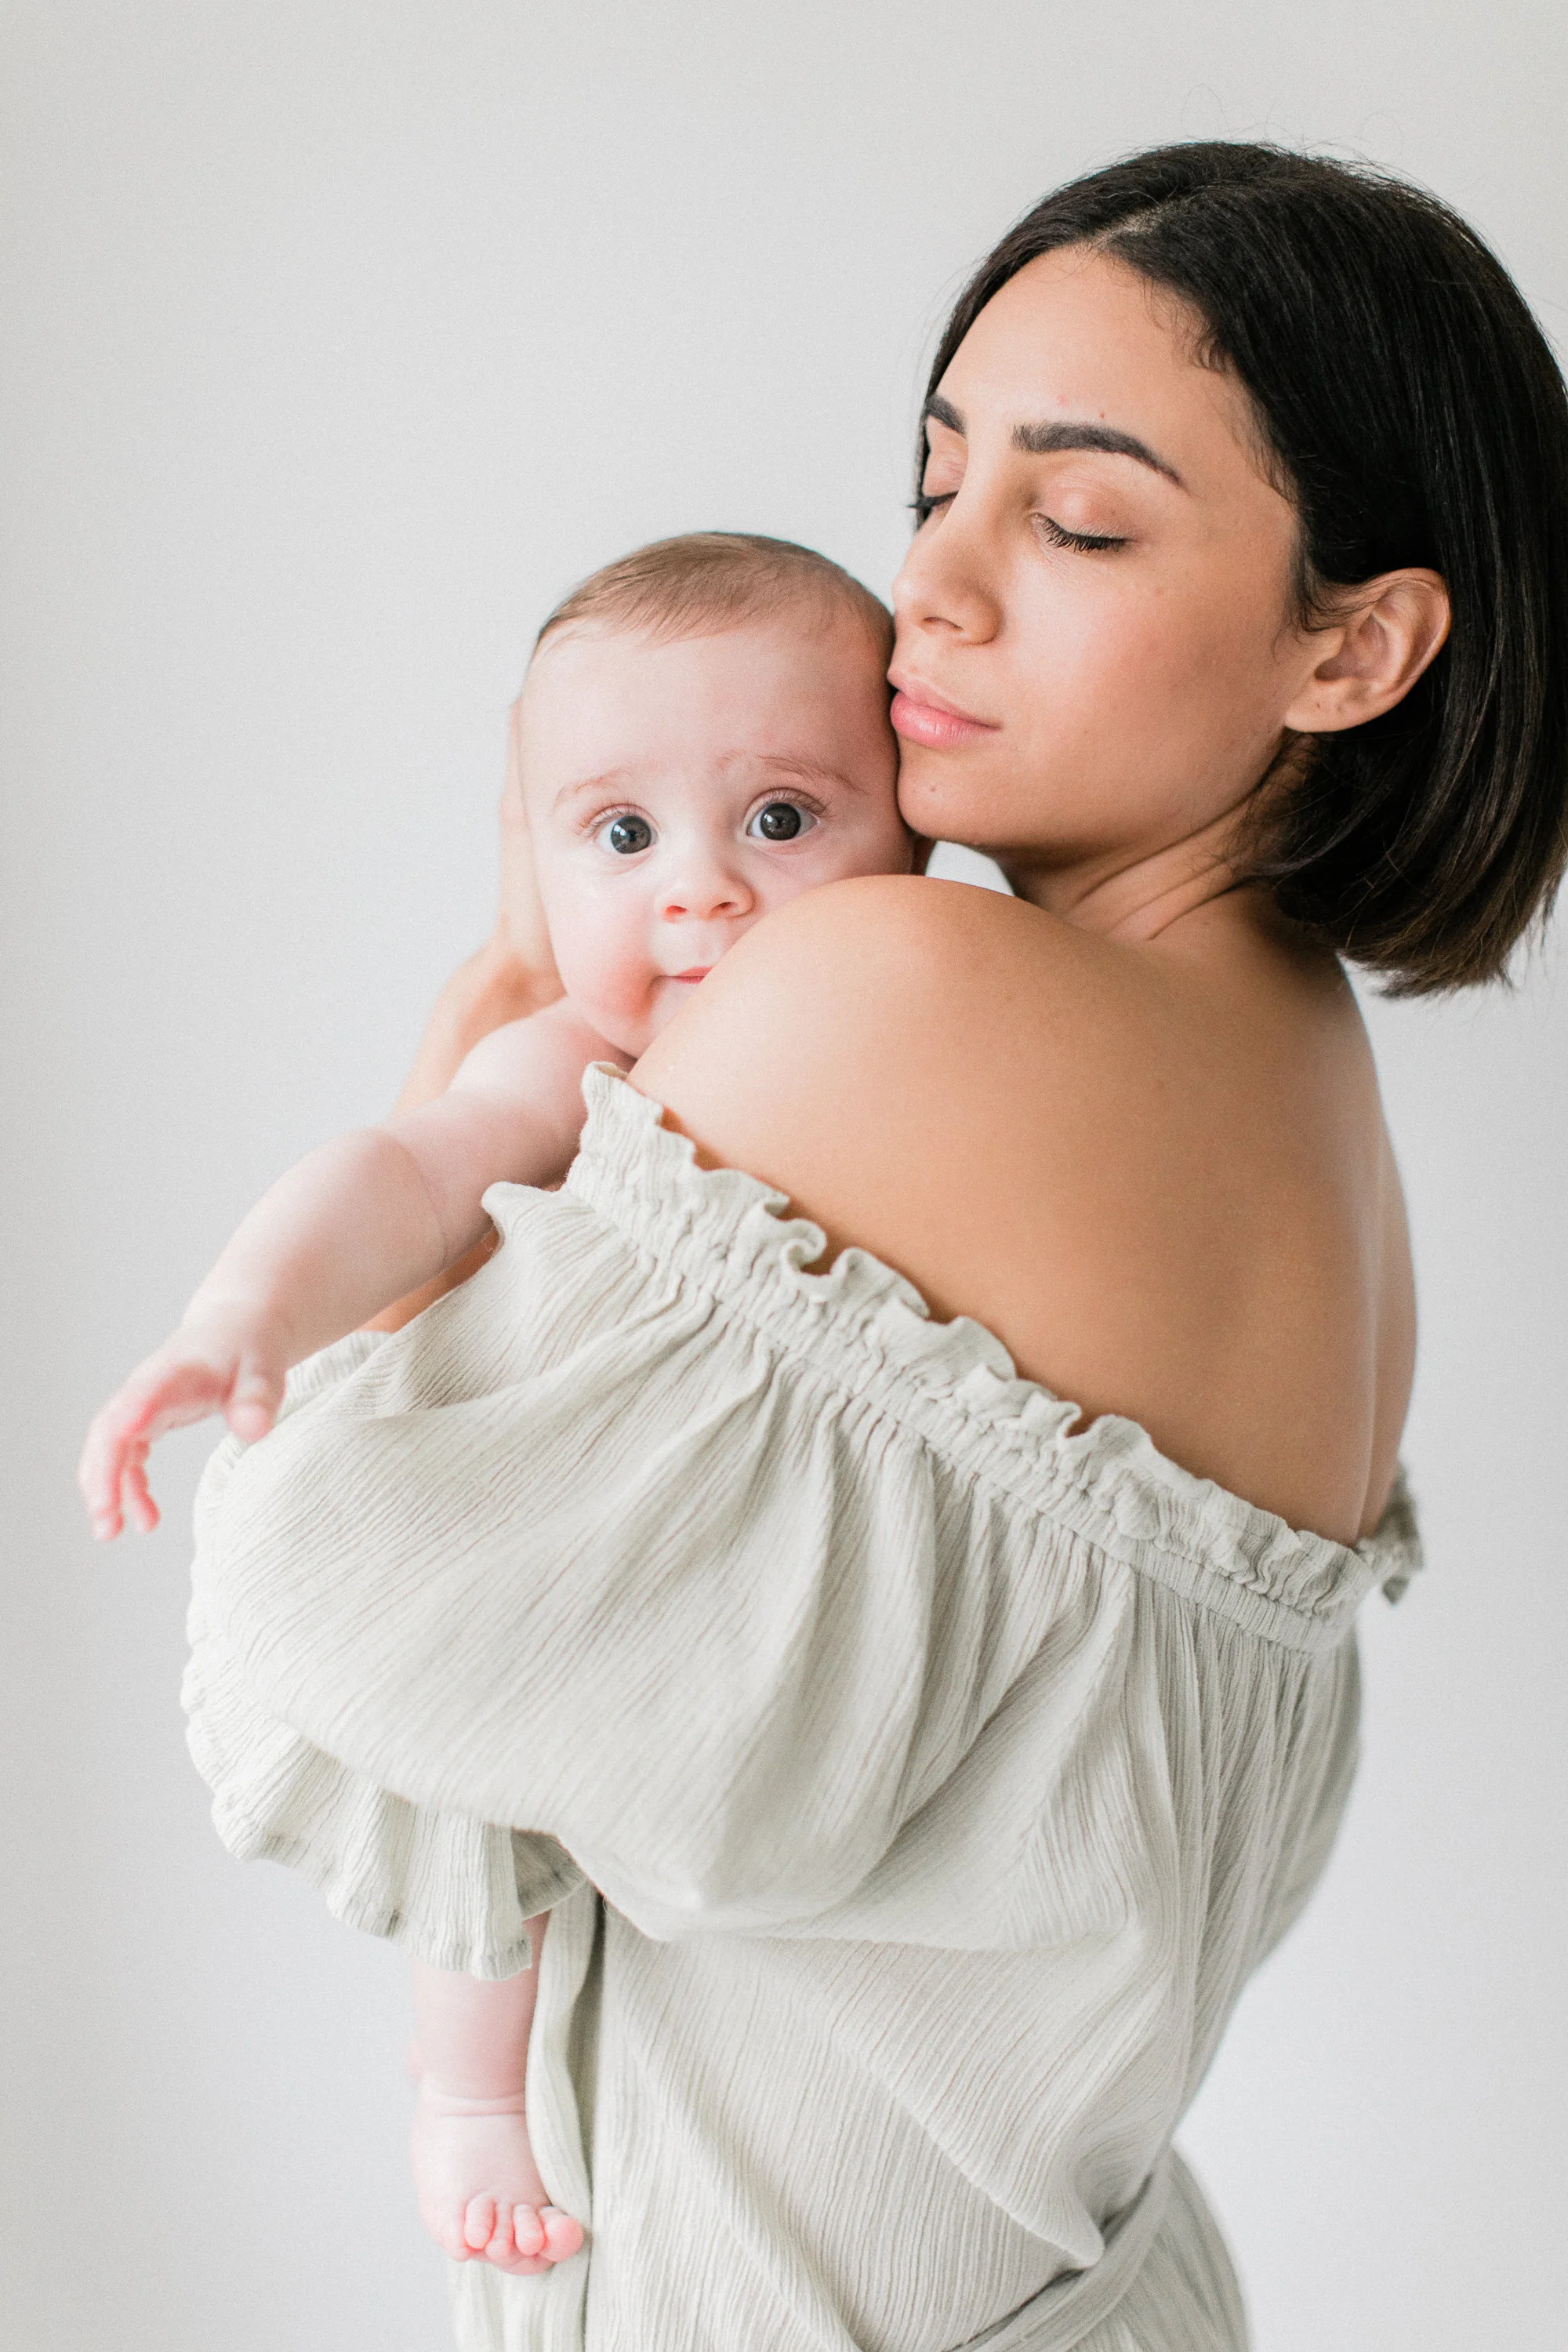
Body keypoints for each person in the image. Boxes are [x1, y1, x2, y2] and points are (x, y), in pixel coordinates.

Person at [162, 143, 1568, 2351]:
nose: (940, 589)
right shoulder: (1314, 1108)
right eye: (935, 486)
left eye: (1079, 517)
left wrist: (484, 1042)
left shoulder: (901, 990)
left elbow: (337, 1610)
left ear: (1357, 642)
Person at [78, 530, 913, 2272]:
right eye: (623, 836)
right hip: (534, 1515)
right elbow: (409, 1168)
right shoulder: (576, 1059)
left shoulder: (918, 1018)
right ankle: (463, 2091)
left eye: (781, 818)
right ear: (538, 870)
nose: (699, 891)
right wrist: (245, 1317)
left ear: (911, 828)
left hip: (739, 1557)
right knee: (484, 1807)